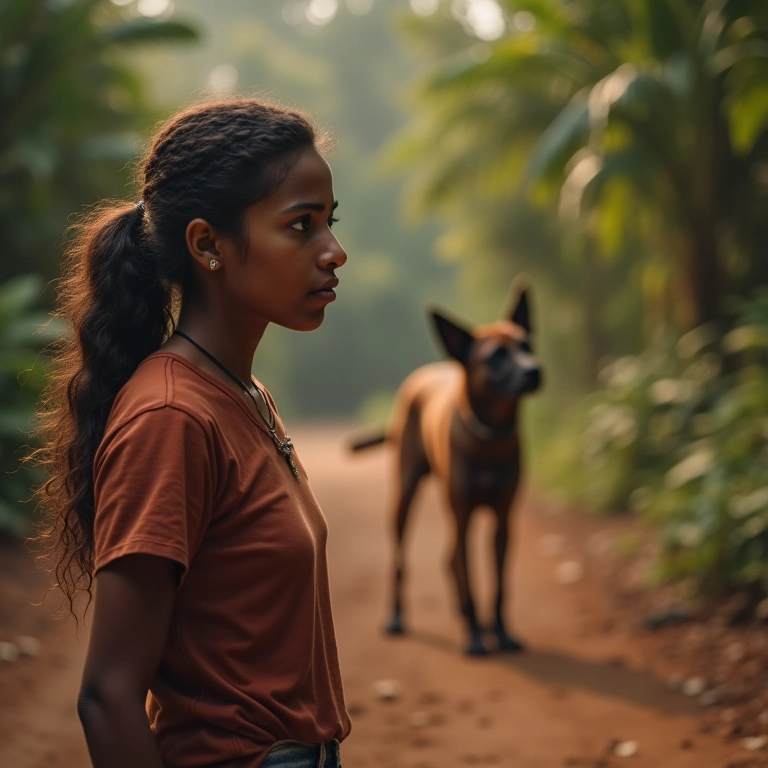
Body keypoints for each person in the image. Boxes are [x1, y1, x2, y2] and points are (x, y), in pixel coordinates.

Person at [33, 98, 351, 768]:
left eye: (330, 221)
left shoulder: (242, 392)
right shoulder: (172, 417)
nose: (334, 251)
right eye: (301, 225)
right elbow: (107, 696)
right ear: (207, 245)